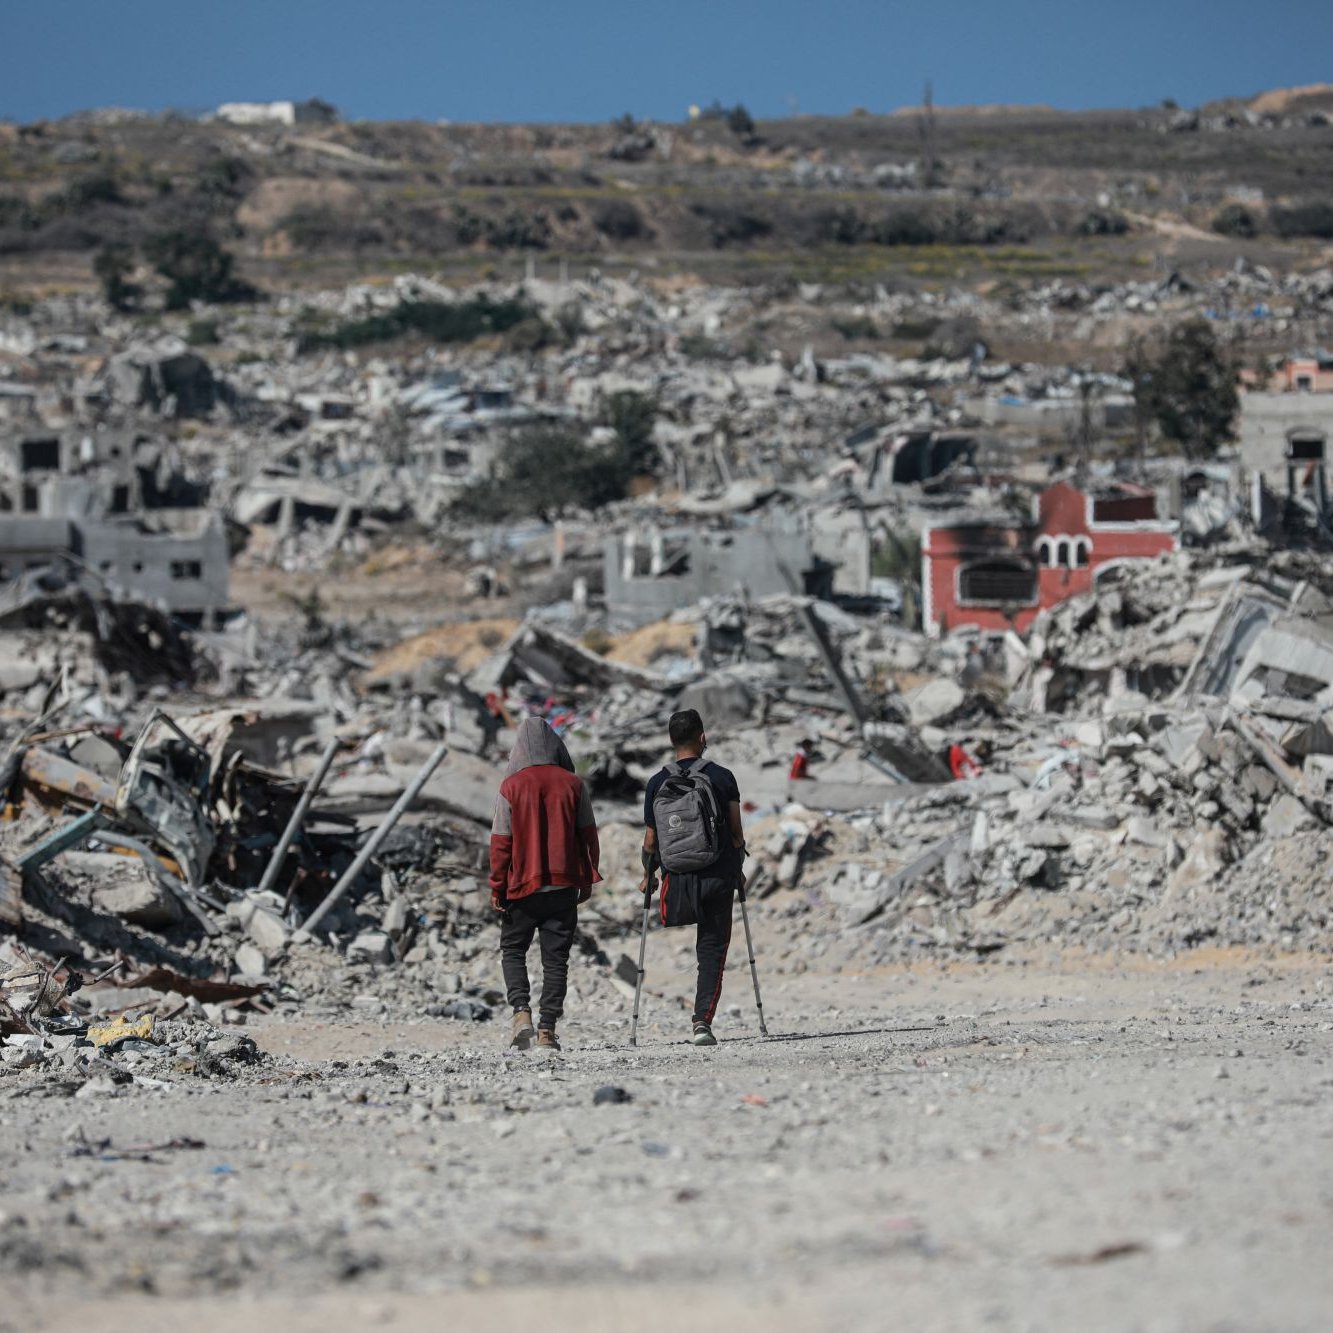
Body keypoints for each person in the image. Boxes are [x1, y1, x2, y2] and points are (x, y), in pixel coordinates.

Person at [489, 717, 600, 1052]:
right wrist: (588, 875)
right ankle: (548, 1031)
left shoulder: (510, 787)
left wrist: (497, 886)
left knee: (512, 950)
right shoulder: (573, 784)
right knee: (556, 961)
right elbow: (589, 835)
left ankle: (521, 1013)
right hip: (563, 885)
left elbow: (501, 842)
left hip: (521, 886)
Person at [639, 709, 745, 1048]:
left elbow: (651, 841)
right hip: (717, 875)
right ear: (702, 737)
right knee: (712, 949)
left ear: (672, 741)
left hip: (677, 882)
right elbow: (736, 831)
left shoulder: (657, 782)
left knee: (699, 942)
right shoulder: (723, 777)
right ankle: (702, 1021)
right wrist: (738, 862)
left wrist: (648, 875)